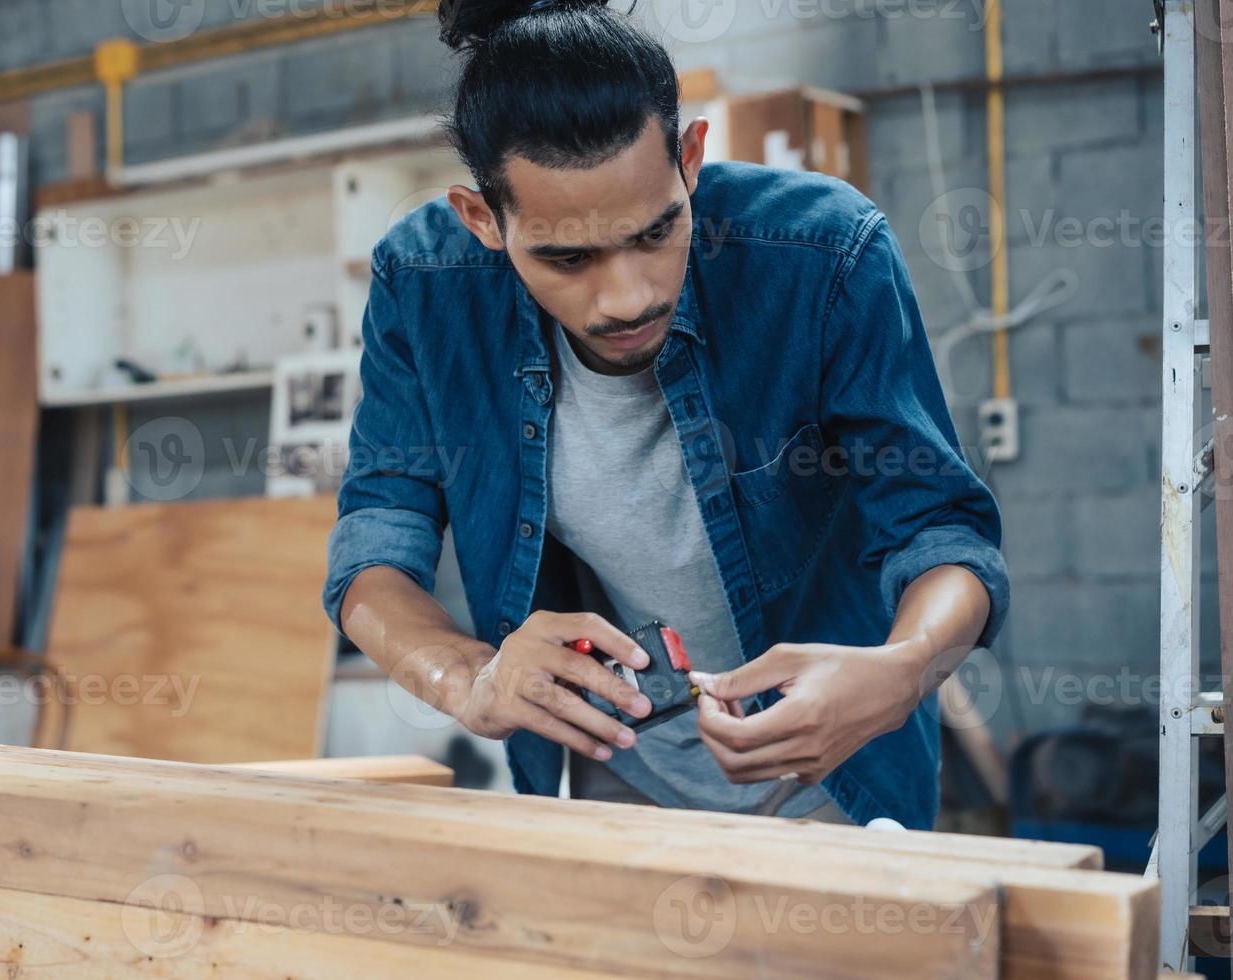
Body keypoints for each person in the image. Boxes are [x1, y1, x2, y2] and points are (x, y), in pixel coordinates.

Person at [322, 0, 1008, 829]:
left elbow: (941, 531)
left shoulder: (824, 256)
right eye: (568, 258)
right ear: (482, 221)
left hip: (841, 779)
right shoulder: (425, 282)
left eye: (655, 233)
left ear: (689, 161)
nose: (628, 297)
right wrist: (471, 678)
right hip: (622, 784)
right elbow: (373, 552)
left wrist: (903, 669)